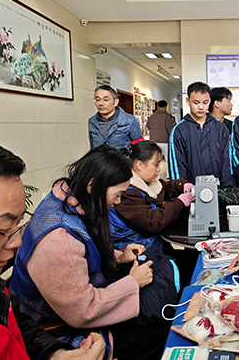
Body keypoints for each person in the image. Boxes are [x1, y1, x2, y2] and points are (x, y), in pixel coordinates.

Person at [10, 145, 167, 360]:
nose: (118, 202)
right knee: (162, 330)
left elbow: (82, 254)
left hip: (75, 307)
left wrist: (119, 256)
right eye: (118, 195)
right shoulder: (58, 238)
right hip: (61, 329)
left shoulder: (67, 201)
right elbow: (82, 310)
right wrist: (133, 283)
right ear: (93, 186)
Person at [0, 136, 105, 360]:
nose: (17, 242)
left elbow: (16, 323)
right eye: (3, 228)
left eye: (18, 223)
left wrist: (56, 354)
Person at [109, 141, 194, 250]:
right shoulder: (127, 193)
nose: (159, 169)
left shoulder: (146, 183)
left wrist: (182, 186)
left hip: (153, 244)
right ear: (140, 165)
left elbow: (164, 187)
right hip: (137, 251)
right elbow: (153, 221)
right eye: (156, 164)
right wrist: (180, 203)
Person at [168, 81, 235, 187]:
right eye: (196, 103)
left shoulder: (220, 128)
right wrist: (183, 189)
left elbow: (227, 161)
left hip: (219, 190)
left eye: (205, 103)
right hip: (191, 192)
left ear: (210, 101)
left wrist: (227, 189)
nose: (201, 107)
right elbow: (177, 167)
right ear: (188, 101)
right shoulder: (179, 130)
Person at [88, 85, 143, 149]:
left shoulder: (130, 120)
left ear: (116, 102)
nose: (100, 103)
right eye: (97, 100)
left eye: (105, 100)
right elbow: (92, 148)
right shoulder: (92, 121)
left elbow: (139, 148)